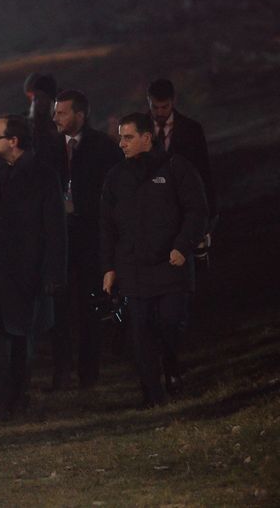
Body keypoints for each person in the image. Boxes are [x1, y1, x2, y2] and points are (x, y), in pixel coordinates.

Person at [101, 112, 208, 408]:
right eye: (120, 137)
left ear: (147, 138)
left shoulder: (176, 168)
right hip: (133, 269)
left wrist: (182, 246)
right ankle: (152, 395)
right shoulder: (116, 177)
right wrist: (108, 267)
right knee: (141, 333)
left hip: (171, 267)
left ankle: (171, 362)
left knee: (169, 323)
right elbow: (107, 226)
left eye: (128, 137)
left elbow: (196, 210)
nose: (121, 143)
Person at [0, 114, 66, 419]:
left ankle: (16, 396)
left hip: (26, 272)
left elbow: (54, 229)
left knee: (21, 338)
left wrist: (52, 272)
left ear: (14, 141)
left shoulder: (43, 176)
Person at [49, 89, 123, 391]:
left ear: (80, 115)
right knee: (59, 309)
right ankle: (61, 372)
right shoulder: (49, 147)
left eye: (62, 112)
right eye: (55, 112)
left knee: (90, 308)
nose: (56, 117)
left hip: (91, 241)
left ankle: (88, 373)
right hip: (60, 242)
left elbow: (114, 195)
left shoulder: (104, 148)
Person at [146, 78, 216, 225]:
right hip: (148, 212)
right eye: (155, 107)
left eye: (164, 107)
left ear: (173, 101)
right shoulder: (137, 129)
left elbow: (202, 171)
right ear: (148, 101)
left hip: (182, 211)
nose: (159, 112)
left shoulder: (192, 130)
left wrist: (209, 213)